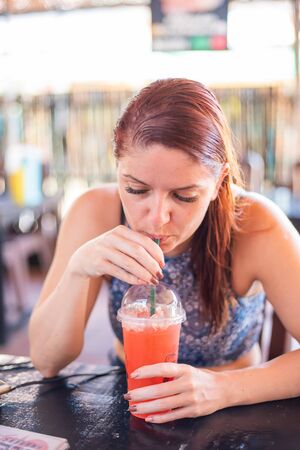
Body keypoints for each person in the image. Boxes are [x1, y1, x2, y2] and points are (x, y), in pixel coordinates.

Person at [29, 78, 300, 424]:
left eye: (184, 196)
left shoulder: (255, 226)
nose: (157, 217)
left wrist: (223, 388)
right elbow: (46, 360)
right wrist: (77, 271)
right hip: (128, 408)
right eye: (136, 189)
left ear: (219, 183)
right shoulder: (94, 211)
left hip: (235, 414)